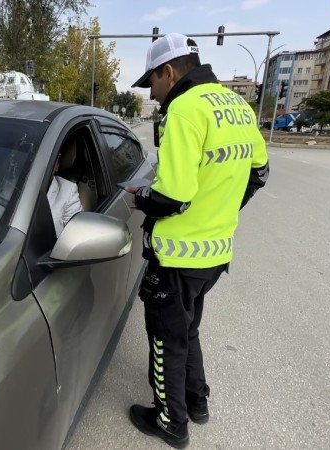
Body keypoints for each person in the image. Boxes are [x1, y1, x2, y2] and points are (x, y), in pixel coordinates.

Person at [125, 33, 269, 448]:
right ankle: (197, 402)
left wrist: (141, 197)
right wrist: (218, 211)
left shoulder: (184, 110)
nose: (151, 93)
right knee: (187, 331)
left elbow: (171, 197)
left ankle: (171, 421)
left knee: (166, 337)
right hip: (214, 251)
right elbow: (258, 172)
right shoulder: (236, 105)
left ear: (168, 72)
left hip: (176, 257)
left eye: (151, 82)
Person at [47, 142, 83, 237]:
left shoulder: (68, 190)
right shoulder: (11, 184)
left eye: (50, 159)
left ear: (57, 165)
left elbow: (76, 234)